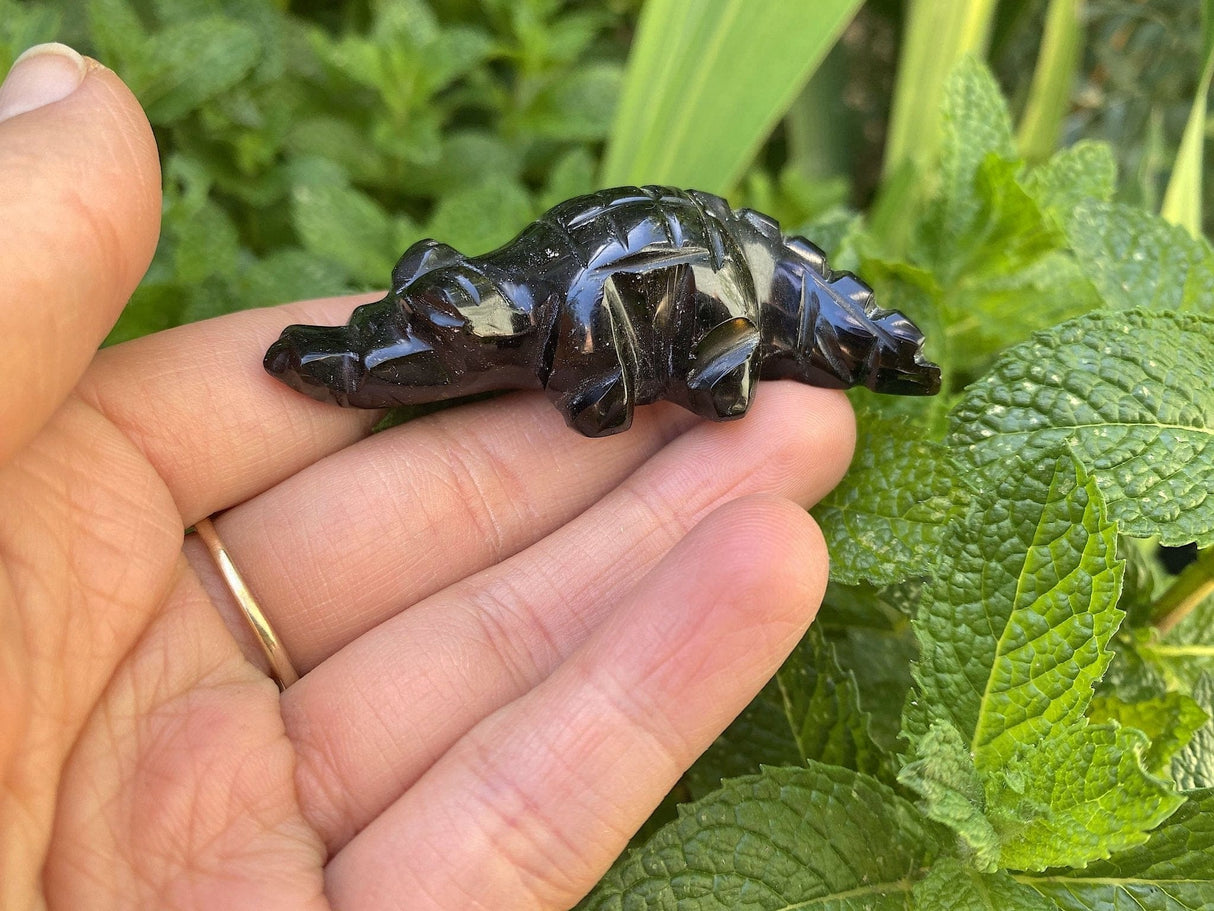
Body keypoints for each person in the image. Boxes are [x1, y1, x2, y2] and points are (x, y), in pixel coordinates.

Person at [0, 43, 855, 910]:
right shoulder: (528, 304)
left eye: (445, 326)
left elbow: (610, 381)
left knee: (721, 393)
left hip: (727, 290)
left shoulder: (582, 341)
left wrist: (617, 378)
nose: (410, 340)